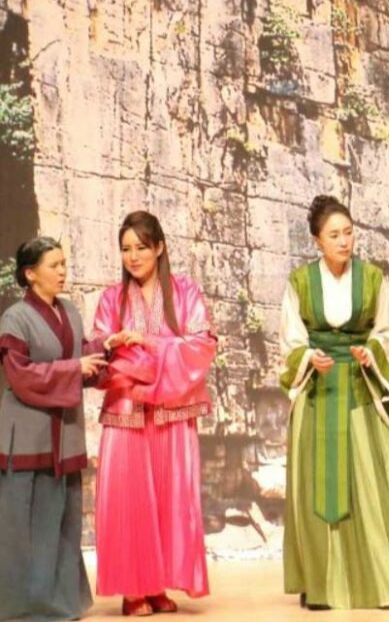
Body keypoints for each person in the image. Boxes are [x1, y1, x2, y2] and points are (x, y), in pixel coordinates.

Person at [279, 195, 389, 610]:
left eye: (348, 232)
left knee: (375, 485)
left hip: (360, 389)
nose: (343, 241)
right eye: (334, 235)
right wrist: (307, 358)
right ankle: (321, 584)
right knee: (316, 490)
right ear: (317, 241)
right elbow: (290, 340)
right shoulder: (300, 282)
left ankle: (384, 581)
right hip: (317, 393)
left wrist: (372, 352)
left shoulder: (371, 278)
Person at [92, 211, 217, 616]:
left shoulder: (185, 293)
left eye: (141, 247)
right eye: (126, 249)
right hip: (126, 413)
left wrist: (145, 342)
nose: (133, 256)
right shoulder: (111, 299)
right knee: (129, 502)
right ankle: (133, 589)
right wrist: (120, 349)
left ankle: (158, 584)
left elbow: (201, 345)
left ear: (160, 247)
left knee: (169, 499)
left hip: (171, 414)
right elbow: (101, 353)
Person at [0, 236, 122, 621]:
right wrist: (74, 368)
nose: (62, 271)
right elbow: (20, 375)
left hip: (64, 435)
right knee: (25, 525)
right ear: (30, 274)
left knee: (63, 523)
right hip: (28, 436)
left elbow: (79, 354)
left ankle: (63, 603)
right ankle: (23, 608)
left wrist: (107, 346)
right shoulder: (15, 319)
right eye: (53, 265)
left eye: (64, 263)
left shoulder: (68, 310)